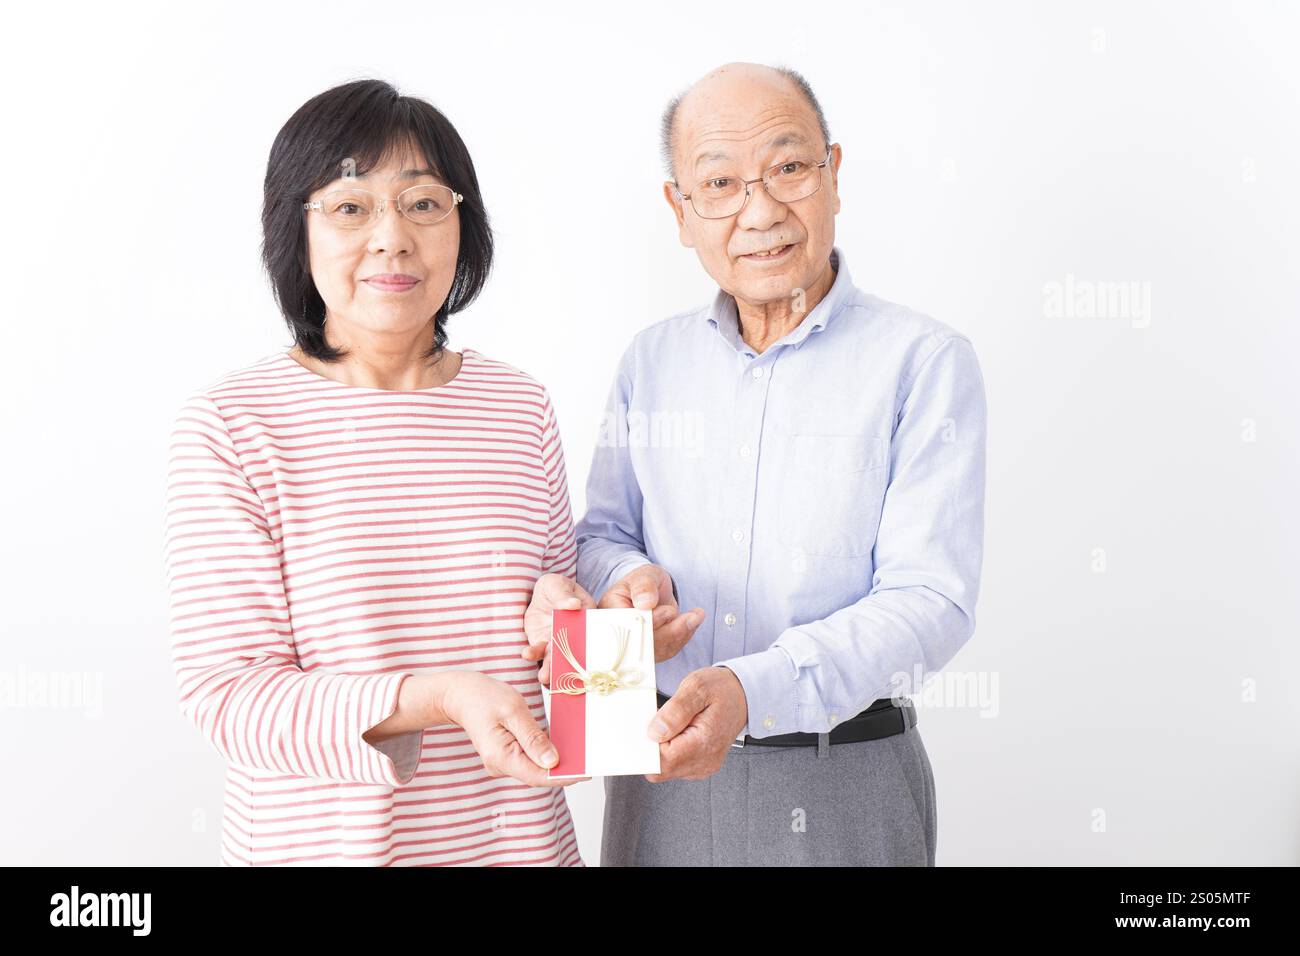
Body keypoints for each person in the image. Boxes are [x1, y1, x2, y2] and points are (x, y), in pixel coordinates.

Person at [525, 62, 987, 866]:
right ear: (681, 209)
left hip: (847, 779)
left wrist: (755, 690)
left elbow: (932, 599)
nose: (761, 210)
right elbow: (599, 536)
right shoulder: (651, 361)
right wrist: (629, 581)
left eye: (788, 168)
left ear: (834, 175)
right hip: (658, 778)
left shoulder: (924, 361)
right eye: (721, 182)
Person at [164, 78, 585, 866]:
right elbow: (228, 696)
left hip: (521, 846)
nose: (393, 237)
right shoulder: (235, 426)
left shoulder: (520, 407)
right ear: (297, 232)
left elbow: (552, 635)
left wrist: (573, 625)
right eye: (351, 207)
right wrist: (434, 697)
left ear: (464, 223)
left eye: (424, 203)